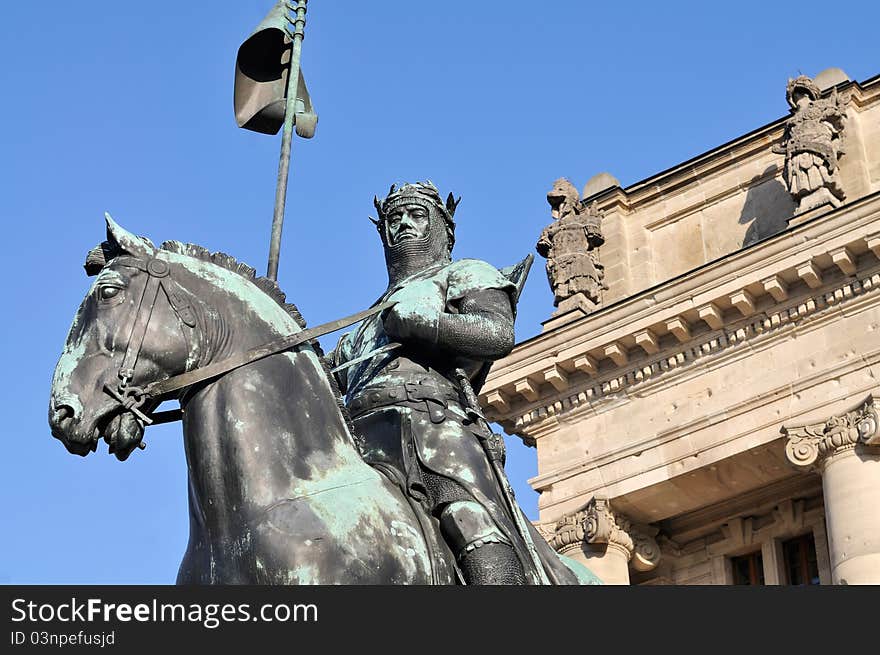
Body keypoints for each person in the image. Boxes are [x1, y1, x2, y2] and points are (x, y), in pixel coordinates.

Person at [330, 181, 578, 584]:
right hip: (360, 442)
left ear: (441, 228)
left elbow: (496, 333)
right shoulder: (361, 327)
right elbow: (330, 379)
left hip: (430, 428)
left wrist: (424, 323)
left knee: (469, 519)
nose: (404, 225)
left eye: (415, 215)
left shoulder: (462, 273)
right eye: (394, 218)